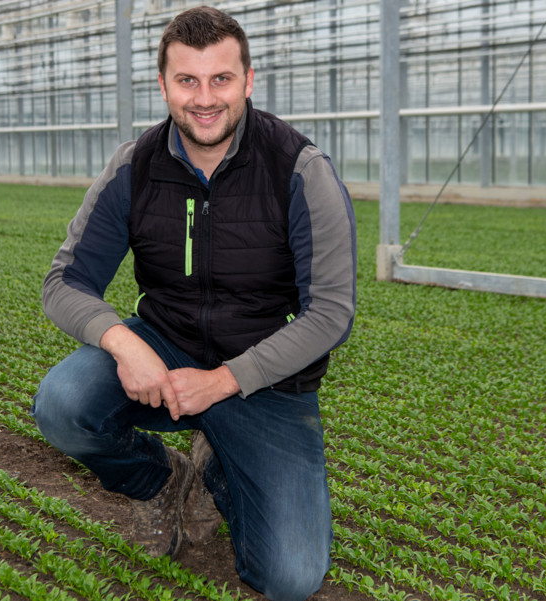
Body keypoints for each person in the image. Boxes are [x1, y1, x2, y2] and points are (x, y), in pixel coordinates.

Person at [32, 6, 356, 601]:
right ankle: (159, 481)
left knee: (290, 577)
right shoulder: (135, 166)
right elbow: (64, 282)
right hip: (165, 344)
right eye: (187, 80)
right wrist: (125, 344)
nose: (204, 99)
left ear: (249, 80)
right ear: (163, 85)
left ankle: (216, 470)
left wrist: (227, 380)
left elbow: (331, 312)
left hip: (264, 375)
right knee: (63, 403)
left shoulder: (300, 170)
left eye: (221, 79)